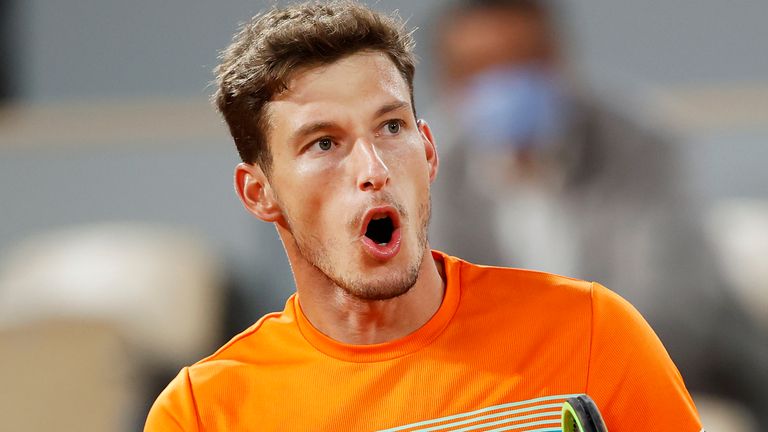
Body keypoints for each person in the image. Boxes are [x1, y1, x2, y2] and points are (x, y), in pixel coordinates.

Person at [145, 1, 702, 430]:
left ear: (429, 150)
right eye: (323, 143)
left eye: (391, 128)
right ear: (258, 193)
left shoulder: (590, 331)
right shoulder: (203, 412)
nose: (373, 168)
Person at [429, 1, 768, 427]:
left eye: (524, 61)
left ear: (558, 61)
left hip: (683, 375)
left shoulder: (640, 144)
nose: (506, 83)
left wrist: (551, 379)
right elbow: (445, 318)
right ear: (450, 84)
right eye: (481, 68)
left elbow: (668, 309)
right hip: (510, 399)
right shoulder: (432, 170)